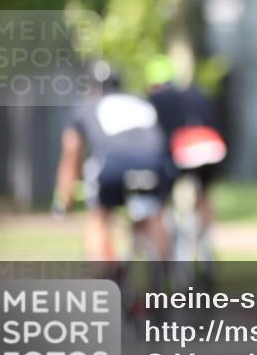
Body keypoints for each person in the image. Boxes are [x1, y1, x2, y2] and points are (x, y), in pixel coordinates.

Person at [54, 65, 172, 262]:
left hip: (113, 166)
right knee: (154, 216)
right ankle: (163, 277)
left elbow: (71, 153)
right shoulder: (140, 102)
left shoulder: (87, 105)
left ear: (91, 88)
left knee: (99, 217)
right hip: (154, 164)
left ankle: (105, 275)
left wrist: (64, 198)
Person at [144, 55, 225, 238]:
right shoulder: (195, 93)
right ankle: (206, 244)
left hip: (183, 148)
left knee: (162, 196)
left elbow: (160, 136)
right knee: (204, 194)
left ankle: (169, 242)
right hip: (212, 145)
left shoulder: (156, 100)